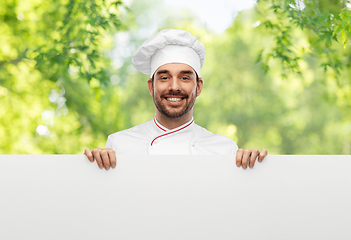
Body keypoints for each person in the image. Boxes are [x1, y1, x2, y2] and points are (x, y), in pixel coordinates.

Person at [84, 29, 267, 170]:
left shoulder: (224, 149)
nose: (174, 87)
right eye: (164, 78)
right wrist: (91, 168)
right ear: (151, 86)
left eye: (185, 77)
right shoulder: (119, 144)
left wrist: (254, 169)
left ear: (199, 86)